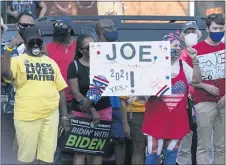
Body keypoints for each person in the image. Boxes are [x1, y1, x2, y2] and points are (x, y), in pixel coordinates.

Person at [1, 26, 69, 164]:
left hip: (50, 116)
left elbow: (60, 89)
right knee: (27, 158)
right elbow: (5, 74)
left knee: (47, 158)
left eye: (38, 42)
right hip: (27, 117)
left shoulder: (51, 62)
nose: (36, 45)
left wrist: (64, 116)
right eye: (32, 42)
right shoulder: (17, 60)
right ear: (25, 43)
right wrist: (9, 49)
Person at [141, 31, 202, 165]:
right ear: (165, 48)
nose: (178, 48)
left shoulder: (182, 65)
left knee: (171, 155)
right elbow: (144, 90)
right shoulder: (153, 67)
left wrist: (194, 60)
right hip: (156, 120)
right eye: (174, 46)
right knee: (152, 155)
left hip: (176, 121)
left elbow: (196, 80)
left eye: (179, 46)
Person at [182, 13, 225, 165]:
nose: (218, 31)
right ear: (207, 29)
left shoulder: (225, 48)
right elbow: (192, 80)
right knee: (204, 145)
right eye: (215, 28)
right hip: (203, 102)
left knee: (222, 147)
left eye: (221, 28)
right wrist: (205, 85)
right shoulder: (196, 50)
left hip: (223, 103)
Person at [67, 34, 111, 165]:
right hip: (82, 111)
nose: (92, 49)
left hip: (104, 109)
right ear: (81, 50)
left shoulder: (104, 63)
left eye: (94, 46)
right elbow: (75, 92)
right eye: (88, 47)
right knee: (80, 150)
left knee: (97, 150)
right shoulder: (74, 66)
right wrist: (92, 110)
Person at [177, 21, 214, 165]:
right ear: (182, 36)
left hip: (206, 102)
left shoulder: (209, 53)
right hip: (184, 106)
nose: (190, 35)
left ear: (199, 34)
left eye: (193, 31)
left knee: (207, 144)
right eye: (187, 32)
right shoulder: (178, 56)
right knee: (183, 145)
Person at [46, 17, 77, 111]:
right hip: (54, 98)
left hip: (76, 98)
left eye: (61, 26)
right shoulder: (48, 48)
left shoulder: (80, 46)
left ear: (69, 29)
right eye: (55, 25)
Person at [120, 96, 146, 165]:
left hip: (153, 111)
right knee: (139, 146)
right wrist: (125, 124)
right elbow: (122, 101)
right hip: (134, 113)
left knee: (153, 148)